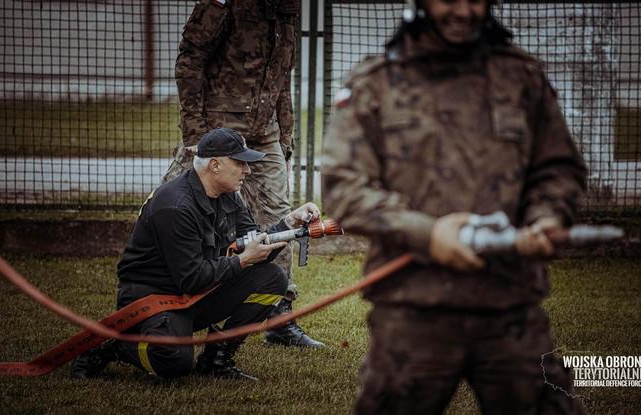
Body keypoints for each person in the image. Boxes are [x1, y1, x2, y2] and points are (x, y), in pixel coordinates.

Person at [321, 0, 587, 413]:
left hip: (509, 306)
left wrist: (547, 217)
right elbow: (343, 187)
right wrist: (428, 235)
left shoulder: (520, 77)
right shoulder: (378, 82)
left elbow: (559, 169)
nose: (462, 11)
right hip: (413, 310)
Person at [70, 128, 321, 380]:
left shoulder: (229, 196)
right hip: (153, 300)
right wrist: (242, 260)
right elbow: (191, 278)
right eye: (240, 163)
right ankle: (113, 345)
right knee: (174, 365)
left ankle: (216, 360)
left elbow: (252, 244)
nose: (248, 170)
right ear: (215, 165)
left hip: (196, 291)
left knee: (272, 278)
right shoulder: (175, 206)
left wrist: (289, 224)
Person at [164, 0, 323, 348]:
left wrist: (284, 135)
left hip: (264, 132)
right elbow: (190, 60)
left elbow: (281, 79)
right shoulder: (226, 3)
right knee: (171, 208)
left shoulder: (287, 10)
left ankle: (279, 318)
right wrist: (195, 135)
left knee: (279, 219)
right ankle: (153, 300)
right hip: (217, 130)